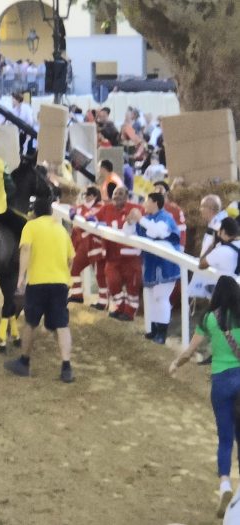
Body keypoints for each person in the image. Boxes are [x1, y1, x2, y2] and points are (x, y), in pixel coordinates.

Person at [168, 276, 240, 519]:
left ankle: (225, 486)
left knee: (225, 438)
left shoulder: (210, 318)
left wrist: (176, 363)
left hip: (221, 381)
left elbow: (190, 351)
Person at [4, 196, 76, 383]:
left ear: (34, 212)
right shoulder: (62, 230)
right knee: (62, 324)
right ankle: (66, 367)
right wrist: (66, 278)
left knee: (31, 323)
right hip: (60, 283)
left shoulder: (31, 227)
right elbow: (71, 258)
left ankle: (24, 362)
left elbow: (26, 249)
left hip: (38, 282)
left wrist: (21, 277)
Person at [126, 192, 181, 344]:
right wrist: (130, 221)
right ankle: (155, 330)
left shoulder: (166, 217)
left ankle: (162, 333)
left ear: (155, 202)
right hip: (150, 263)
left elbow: (159, 232)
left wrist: (140, 219)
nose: (144, 204)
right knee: (151, 297)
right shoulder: (147, 220)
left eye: (147, 201)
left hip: (166, 264)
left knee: (161, 297)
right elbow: (128, 234)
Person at [95, 186, 144, 321]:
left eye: (120, 193)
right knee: (112, 282)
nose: (116, 196)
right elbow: (93, 217)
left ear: (127, 196)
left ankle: (129, 313)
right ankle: (120, 306)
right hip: (112, 256)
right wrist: (89, 219)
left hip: (131, 257)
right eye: (115, 193)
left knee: (132, 287)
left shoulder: (136, 209)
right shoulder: (106, 209)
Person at [67, 186, 107, 309]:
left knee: (99, 274)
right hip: (83, 245)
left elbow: (103, 220)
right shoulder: (80, 208)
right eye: (84, 195)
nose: (85, 197)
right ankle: (77, 295)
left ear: (94, 196)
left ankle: (103, 301)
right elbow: (75, 213)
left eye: (88, 195)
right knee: (74, 268)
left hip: (96, 244)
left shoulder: (102, 207)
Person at [190, 195, 228, 300]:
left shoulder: (220, 225)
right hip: (211, 270)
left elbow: (216, 247)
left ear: (210, 209)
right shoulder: (215, 223)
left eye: (202, 206)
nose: (200, 209)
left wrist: (203, 260)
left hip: (216, 273)